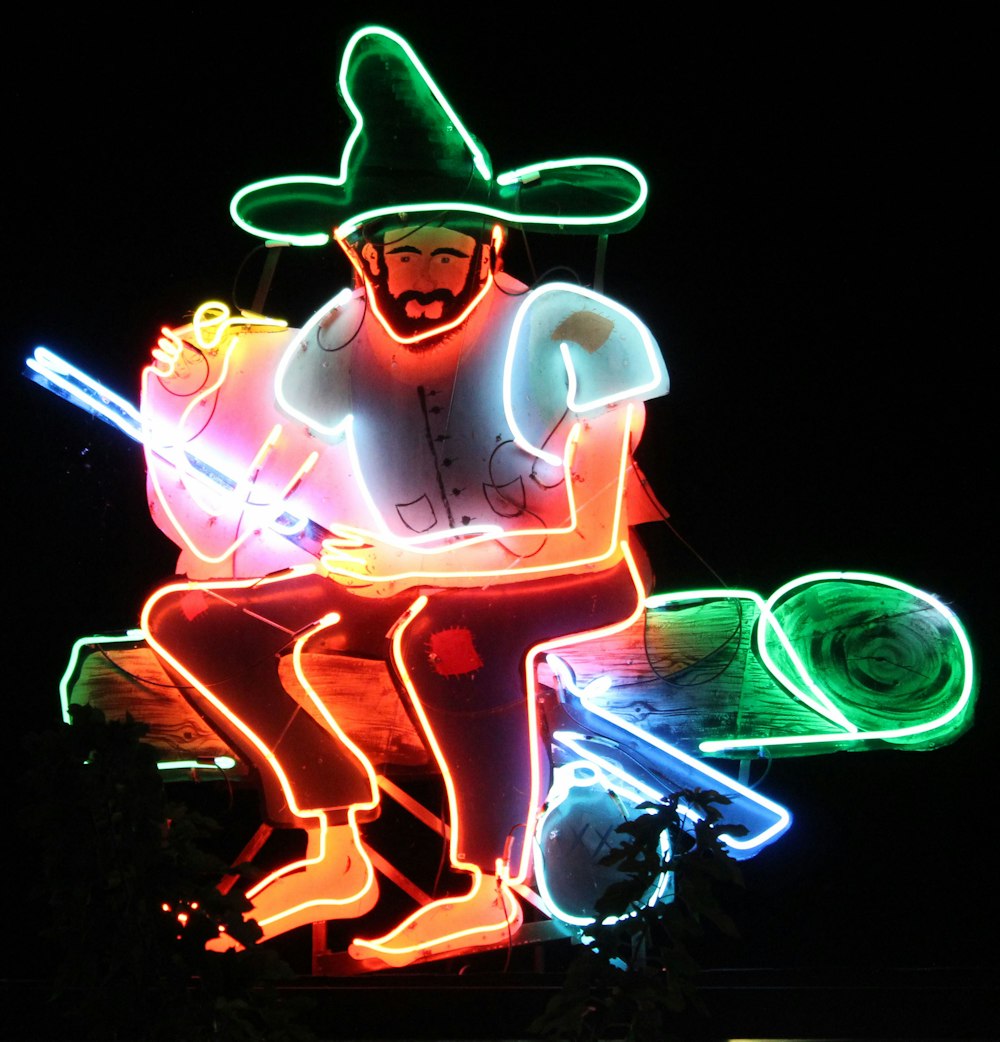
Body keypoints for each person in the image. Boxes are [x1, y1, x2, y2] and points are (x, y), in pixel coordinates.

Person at [139, 26, 669, 968]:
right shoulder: (340, 341)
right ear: (362, 259)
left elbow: (589, 544)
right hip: (404, 575)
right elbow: (279, 466)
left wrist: (396, 564)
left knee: (440, 637)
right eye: (399, 254)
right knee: (191, 619)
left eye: (443, 251)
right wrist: (186, 397)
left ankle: (487, 885)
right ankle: (336, 847)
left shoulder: (569, 329)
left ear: (488, 242)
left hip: (563, 580)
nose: (421, 281)